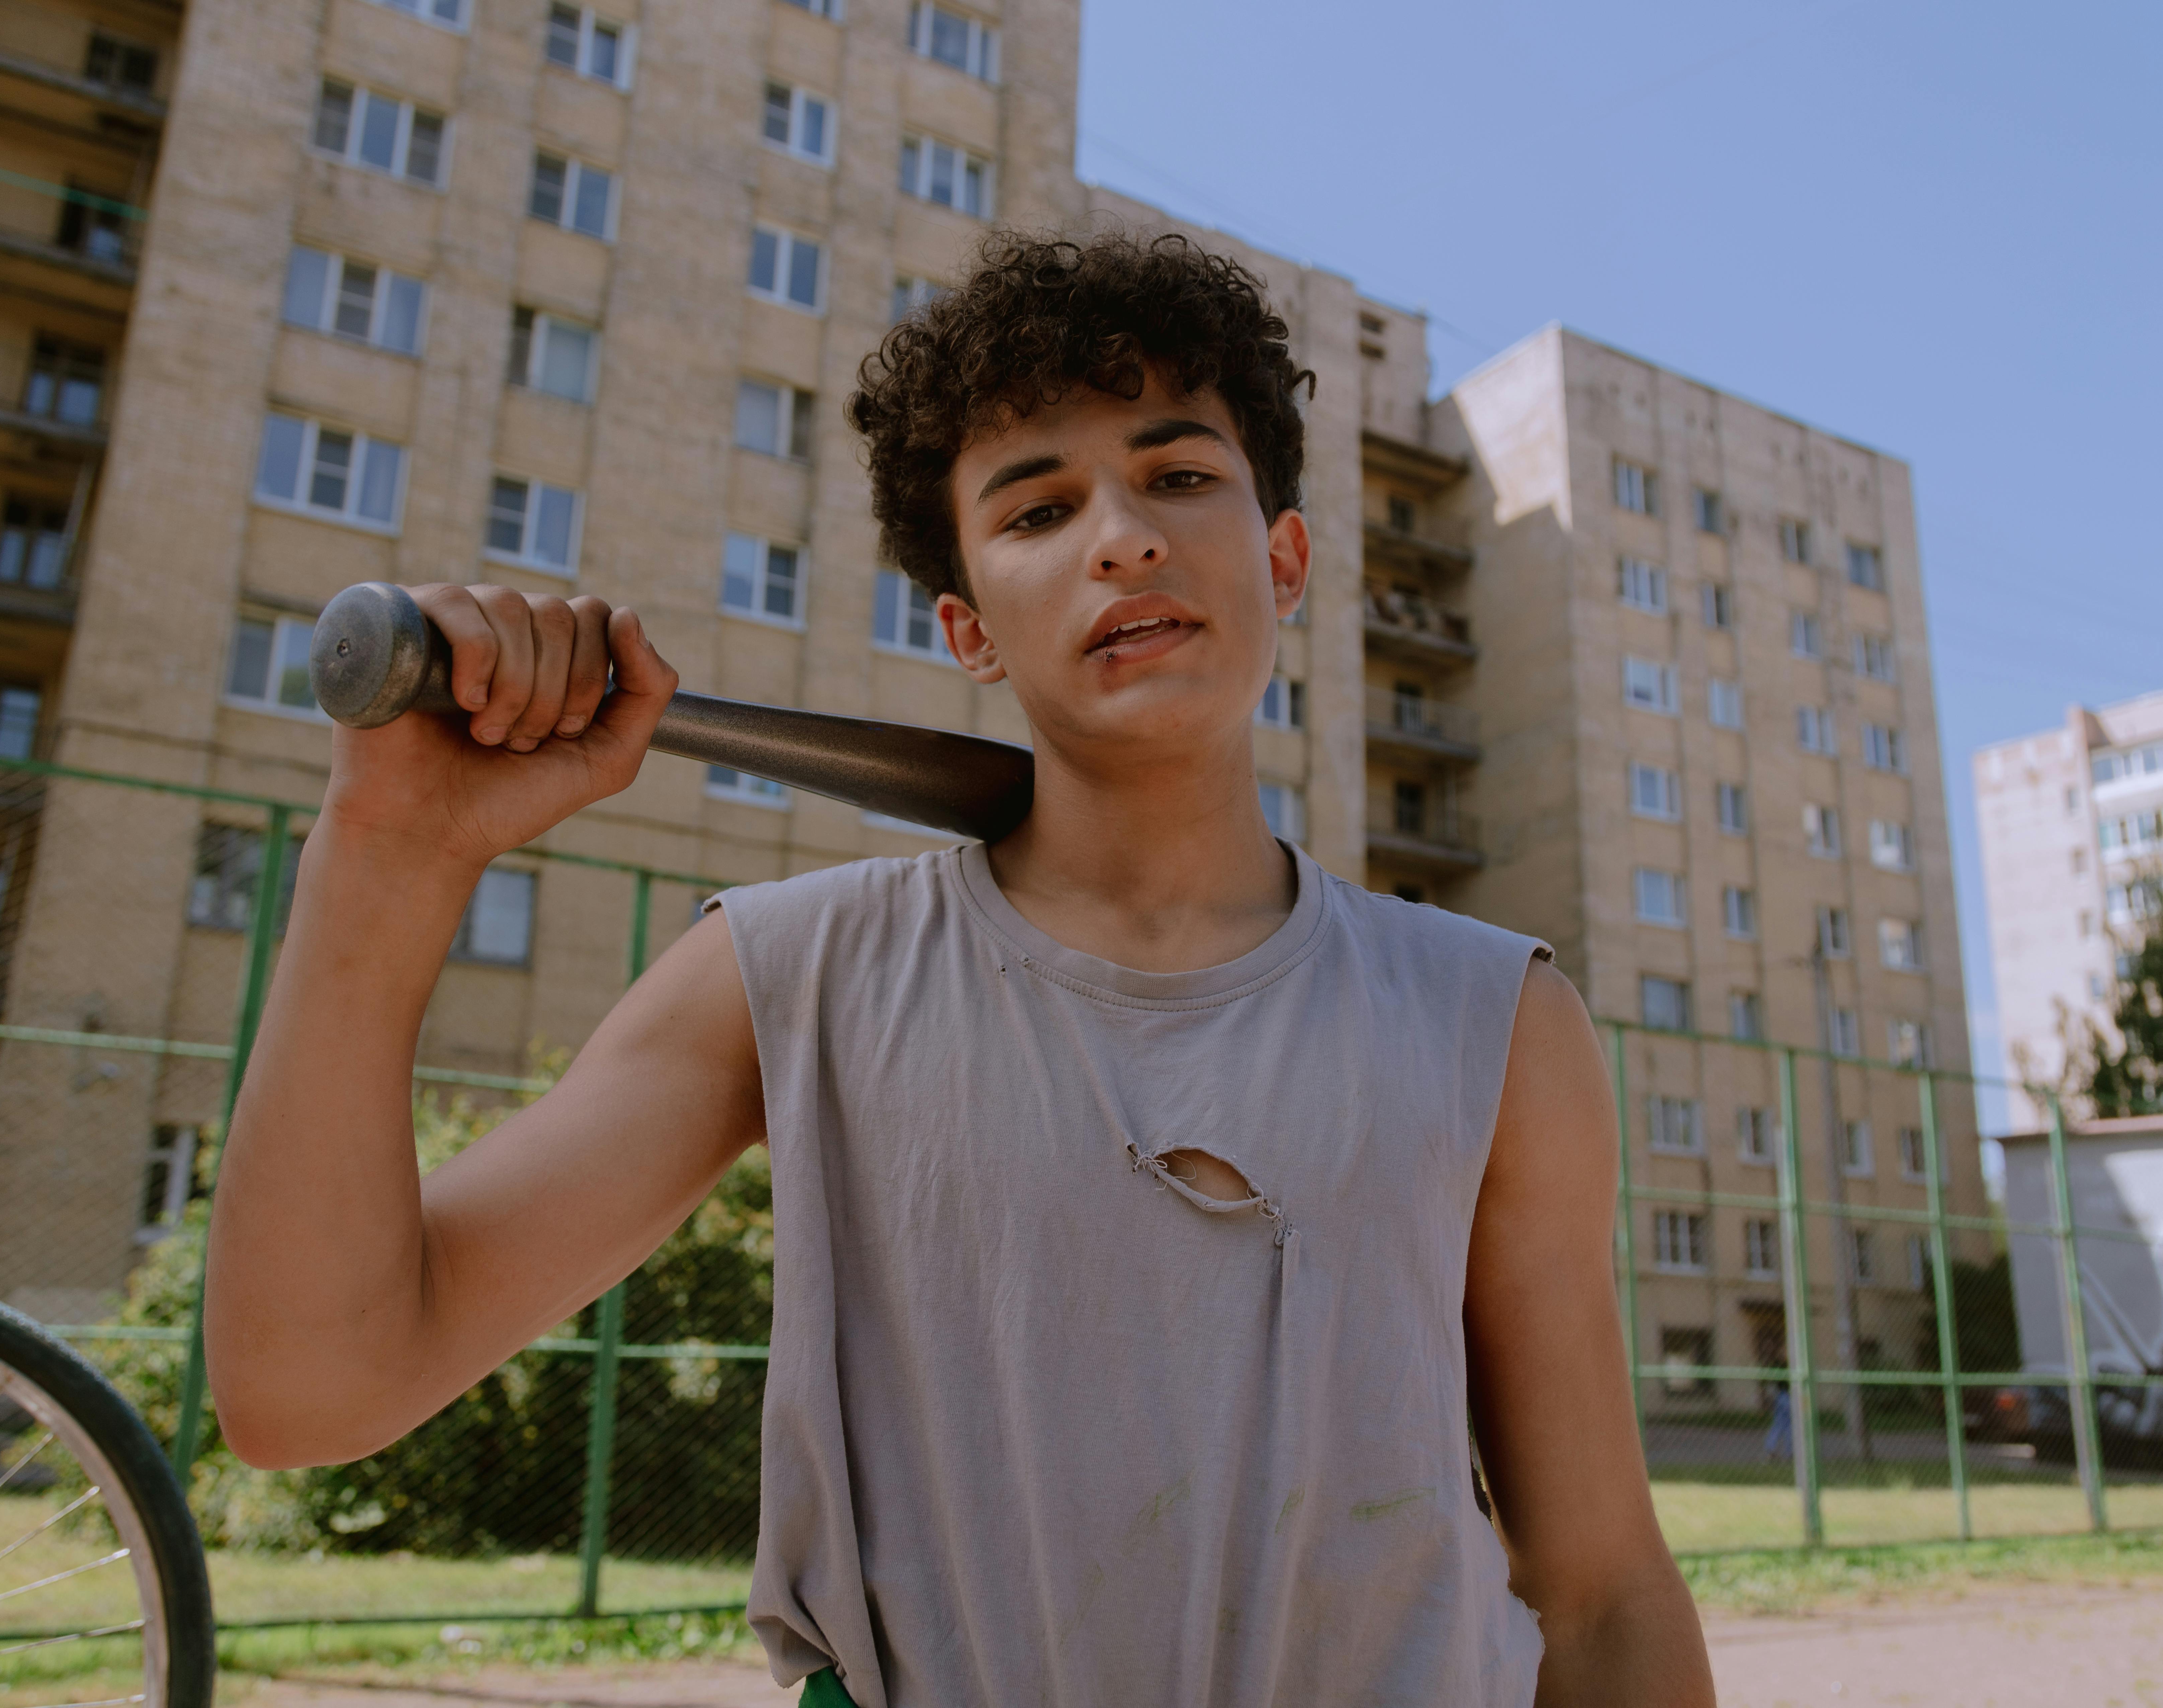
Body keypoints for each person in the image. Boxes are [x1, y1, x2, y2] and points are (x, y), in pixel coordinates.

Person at [206, 231, 1714, 1705]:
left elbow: (1598, 1594)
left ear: (1285, 557)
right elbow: (309, 1389)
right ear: (968, 629)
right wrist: (389, 858)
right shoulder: (791, 973)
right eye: (1038, 508)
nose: (1122, 532)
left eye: (1178, 476)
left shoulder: (1488, 1015)